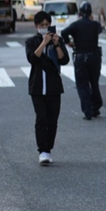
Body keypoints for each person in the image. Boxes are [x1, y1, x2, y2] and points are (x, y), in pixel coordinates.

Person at [25, 11, 70, 165]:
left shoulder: (57, 40)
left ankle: (48, 148)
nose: (44, 28)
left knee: (53, 120)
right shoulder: (32, 41)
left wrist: (56, 44)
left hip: (54, 87)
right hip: (37, 87)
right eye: (41, 25)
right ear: (36, 26)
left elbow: (64, 60)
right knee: (41, 118)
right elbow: (32, 58)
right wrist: (43, 43)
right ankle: (42, 151)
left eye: (46, 25)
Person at [61, 1, 104, 120]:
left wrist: (69, 42)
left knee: (82, 84)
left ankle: (87, 111)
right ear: (90, 13)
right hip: (94, 56)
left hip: (80, 56)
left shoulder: (76, 25)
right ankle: (96, 107)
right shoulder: (95, 25)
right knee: (94, 82)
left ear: (80, 12)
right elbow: (100, 29)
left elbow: (64, 32)